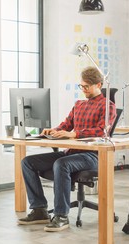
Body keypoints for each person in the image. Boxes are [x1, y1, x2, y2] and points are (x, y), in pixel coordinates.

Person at [18, 66, 116, 232]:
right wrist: (53, 130)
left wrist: (75, 134)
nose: (83, 90)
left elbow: (102, 131)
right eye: (81, 86)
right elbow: (66, 124)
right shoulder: (79, 105)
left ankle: (61, 216)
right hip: (72, 153)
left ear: (99, 85)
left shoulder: (108, 106)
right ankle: (39, 209)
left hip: (92, 156)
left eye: (87, 87)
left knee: (61, 164)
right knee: (28, 162)